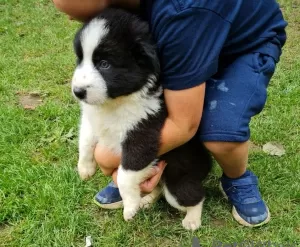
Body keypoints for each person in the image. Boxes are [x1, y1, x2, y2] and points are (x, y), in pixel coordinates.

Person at [53, 0, 287, 226]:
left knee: (220, 132)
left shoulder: (182, 13)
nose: (69, 16)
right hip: (193, 36)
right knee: (150, 96)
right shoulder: (135, 19)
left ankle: (237, 178)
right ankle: (143, 169)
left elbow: (183, 124)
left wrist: (113, 160)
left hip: (244, 44)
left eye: (70, 8)